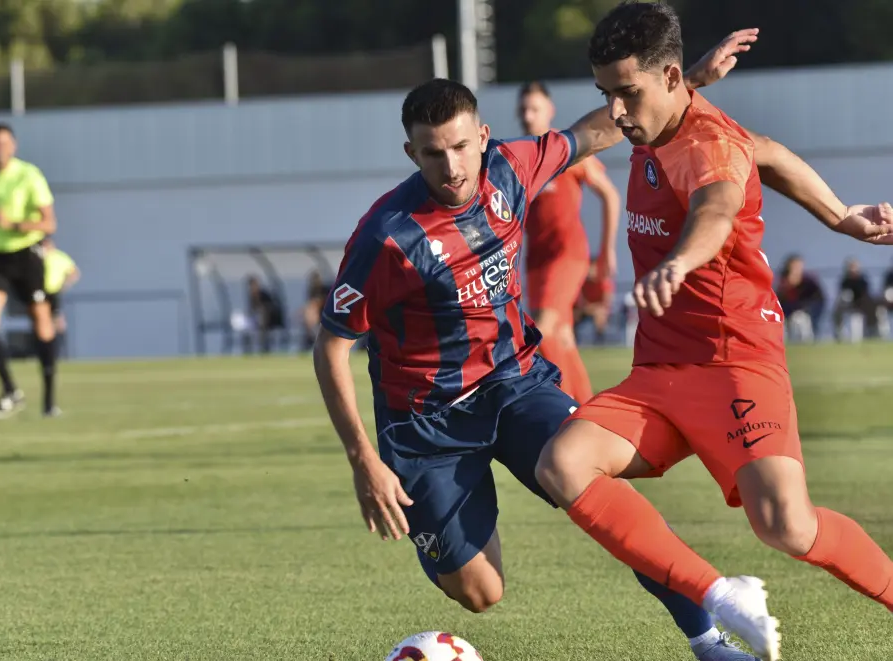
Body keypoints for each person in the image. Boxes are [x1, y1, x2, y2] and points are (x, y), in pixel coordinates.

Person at [314, 29, 772, 661]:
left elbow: (602, 129)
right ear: (410, 153)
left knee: (598, 492)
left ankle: (708, 636)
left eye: (459, 147)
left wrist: (684, 80)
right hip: (426, 424)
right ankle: (443, 539)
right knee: (481, 593)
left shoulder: (512, 165)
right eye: (431, 154)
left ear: (483, 135)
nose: (451, 168)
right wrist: (364, 460)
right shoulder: (386, 238)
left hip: (516, 384)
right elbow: (332, 346)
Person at [533, 5, 893, 660]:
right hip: (661, 374)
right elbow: (772, 152)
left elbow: (719, 205)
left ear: (668, 76)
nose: (615, 110)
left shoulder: (709, 144)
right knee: (563, 463)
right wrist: (839, 214)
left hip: (736, 364)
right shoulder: (654, 118)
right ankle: (722, 595)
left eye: (627, 92)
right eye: (605, 93)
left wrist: (679, 260)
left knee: (787, 525)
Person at [518, 81, 620, 403]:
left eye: (534, 108)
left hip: (567, 253)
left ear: (550, 111)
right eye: (522, 109)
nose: (528, 116)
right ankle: (586, 409)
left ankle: (563, 405)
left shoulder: (565, 150)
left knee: (542, 330)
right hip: (536, 258)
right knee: (561, 336)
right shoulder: (523, 158)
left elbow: (610, 196)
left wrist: (606, 251)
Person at [0, 123, 60, 419]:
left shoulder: (28, 175)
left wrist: (15, 225)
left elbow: (49, 224)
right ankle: (10, 390)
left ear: (14, 146)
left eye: (4, 143)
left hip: (27, 256)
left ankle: (49, 399)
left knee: (42, 323)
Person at [42, 236, 81, 357]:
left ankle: (60, 352)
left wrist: (64, 285)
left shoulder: (59, 257)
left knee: (57, 321)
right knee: (42, 321)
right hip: (40, 293)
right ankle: (45, 352)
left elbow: (74, 272)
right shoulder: (38, 257)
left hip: (53, 292)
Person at [774, 254, 824, 341]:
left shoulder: (808, 280)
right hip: (786, 311)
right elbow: (779, 298)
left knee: (800, 319)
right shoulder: (783, 280)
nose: (796, 268)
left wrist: (805, 308)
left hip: (804, 311)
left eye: (799, 265)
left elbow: (817, 298)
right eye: (794, 265)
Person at [574, 255, 615, 344]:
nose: (589, 271)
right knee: (574, 314)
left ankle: (600, 342)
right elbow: (582, 301)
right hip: (587, 309)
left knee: (599, 314)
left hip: (600, 310)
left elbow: (605, 303)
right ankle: (575, 341)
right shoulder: (584, 283)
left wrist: (591, 308)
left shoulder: (604, 282)